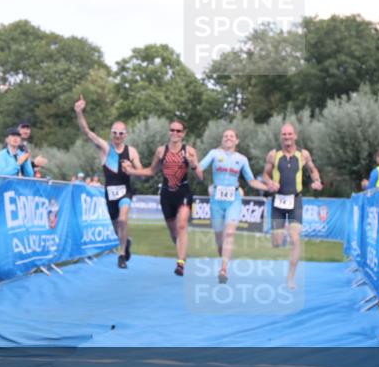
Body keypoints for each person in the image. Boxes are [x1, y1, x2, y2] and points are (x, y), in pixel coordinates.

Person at [123, 119, 202, 276]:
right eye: (172, 130)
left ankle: (180, 263)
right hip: (166, 194)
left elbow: (200, 177)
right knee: (174, 232)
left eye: (178, 131)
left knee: (182, 226)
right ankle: (182, 252)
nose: (175, 133)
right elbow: (151, 171)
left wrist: (193, 164)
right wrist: (132, 171)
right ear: (168, 132)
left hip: (183, 192)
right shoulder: (161, 151)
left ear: (183, 133)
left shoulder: (190, 151)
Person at [74, 95, 142, 269]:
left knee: (123, 219)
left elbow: (141, 174)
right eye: (115, 133)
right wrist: (79, 112)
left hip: (125, 192)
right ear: (111, 133)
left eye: (121, 133)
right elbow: (87, 132)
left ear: (125, 135)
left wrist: (132, 170)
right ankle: (125, 243)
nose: (117, 136)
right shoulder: (105, 148)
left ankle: (121, 255)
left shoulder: (132, 152)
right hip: (110, 193)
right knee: (115, 228)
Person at [197, 129, 273, 284]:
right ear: (222, 139)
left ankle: (224, 269)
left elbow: (251, 181)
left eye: (231, 136)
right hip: (216, 200)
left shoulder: (242, 159)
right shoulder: (214, 154)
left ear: (237, 141)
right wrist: (198, 172)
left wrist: (268, 187)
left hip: (234, 199)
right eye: (225, 136)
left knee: (230, 233)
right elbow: (199, 168)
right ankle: (223, 259)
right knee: (219, 238)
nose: (228, 138)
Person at [262, 123, 323, 288]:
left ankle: (290, 279)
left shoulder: (303, 154)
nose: (287, 137)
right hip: (278, 201)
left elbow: (313, 170)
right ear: (281, 137)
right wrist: (270, 182)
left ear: (295, 136)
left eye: (290, 134)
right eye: (284, 134)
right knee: (277, 241)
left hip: (295, 200)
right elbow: (265, 174)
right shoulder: (273, 155)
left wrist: (316, 181)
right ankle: (283, 235)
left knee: (295, 239)